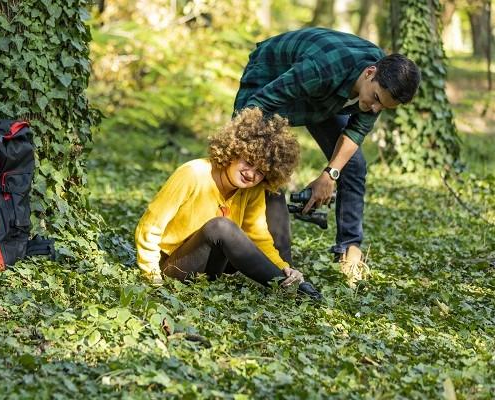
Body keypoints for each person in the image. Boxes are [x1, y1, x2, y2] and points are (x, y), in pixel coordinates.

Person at [233, 27, 421, 287]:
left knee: (352, 165)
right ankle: (263, 250)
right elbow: (260, 103)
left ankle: (349, 250)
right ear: (370, 73)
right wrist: (257, 146)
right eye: (376, 99)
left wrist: (329, 174)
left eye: (383, 107)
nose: (375, 109)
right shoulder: (321, 69)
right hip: (272, 73)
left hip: (328, 95)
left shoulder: (381, 83)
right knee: (260, 158)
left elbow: (354, 133)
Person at [134, 108, 321, 299]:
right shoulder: (193, 173)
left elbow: (258, 237)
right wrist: (152, 278)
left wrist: (283, 267)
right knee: (221, 227)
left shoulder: (252, 189)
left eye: (261, 171)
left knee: (272, 196)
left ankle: (289, 279)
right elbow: (150, 227)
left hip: (215, 265)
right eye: (248, 162)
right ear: (233, 152)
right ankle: (291, 289)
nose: (250, 173)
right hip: (175, 265)